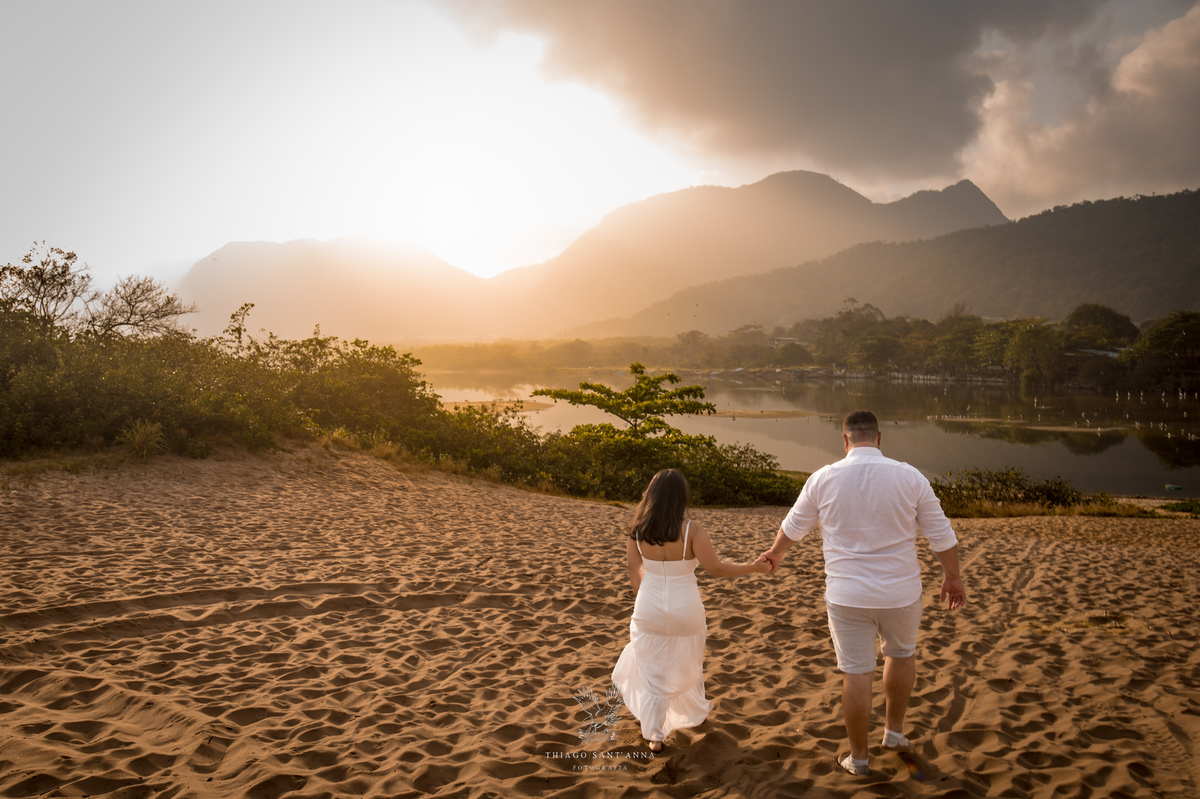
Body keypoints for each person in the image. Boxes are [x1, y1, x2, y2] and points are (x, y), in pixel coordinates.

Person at [760, 411, 966, 776]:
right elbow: (942, 534)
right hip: (900, 592)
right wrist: (953, 577)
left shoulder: (823, 478)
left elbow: (793, 527)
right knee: (901, 655)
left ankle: (858, 759)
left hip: (847, 595)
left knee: (856, 673)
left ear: (845, 440)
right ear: (879, 438)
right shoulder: (910, 476)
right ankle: (894, 733)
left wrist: (775, 553)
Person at [612, 468, 770, 752]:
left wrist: (645, 598)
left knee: (651, 668)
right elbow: (716, 569)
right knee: (684, 663)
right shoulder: (690, 530)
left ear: (651, 495)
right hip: (686, 607)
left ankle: (654, 735)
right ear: (680, 498)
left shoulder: (637, 531)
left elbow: (633, 570)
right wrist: (754, 567)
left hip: (648, 605)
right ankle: (670, 721)